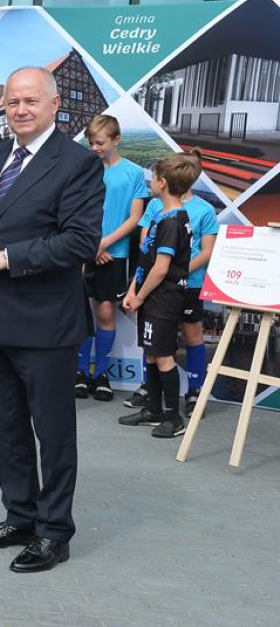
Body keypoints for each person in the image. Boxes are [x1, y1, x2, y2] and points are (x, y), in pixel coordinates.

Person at [0, 66, 103, 573]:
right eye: (12, 101)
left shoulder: (78, 164)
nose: (19, 109)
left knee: (53, 434)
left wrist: (3, 259)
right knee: (6, 428)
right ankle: (20, 516)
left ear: (55, 105)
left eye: (31, 101)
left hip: (45, 324)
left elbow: (79, 242)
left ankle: (54, 531)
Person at [126, 151, 217, 416]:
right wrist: (137, 287)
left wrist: (174, 273)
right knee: (152, 338)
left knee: (190, 334)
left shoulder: (203, 210)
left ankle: (194, 391)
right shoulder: (156, 207)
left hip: (185, 284)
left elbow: (206, 252)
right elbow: (146, 248)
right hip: (156, 285)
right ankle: (151, 392)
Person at [118, 154, 197, 439]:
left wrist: (139, 298)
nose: (150, 182)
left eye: (152, 177)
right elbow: (146, 260)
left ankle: (174, 418)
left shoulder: (173, 222)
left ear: (162, 183)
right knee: (151, 353)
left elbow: (161, 268)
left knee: (163, 357)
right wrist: (133, 289)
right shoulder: (162, 215)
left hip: (164, 298)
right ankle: (153, 409)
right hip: (151, 296)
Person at [75, 115, 148, 401]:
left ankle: (101, 373)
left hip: (114, 254)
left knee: (105, 314)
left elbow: (135, 217)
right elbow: (75, 210)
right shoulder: (83, 170)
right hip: (83, 252)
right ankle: (81, 371)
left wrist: (104, 243)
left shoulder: (133, 173)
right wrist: (92, 245)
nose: (94, 148)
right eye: (91, 143)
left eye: (100, 143)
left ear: (116, 140)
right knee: (82, 314)